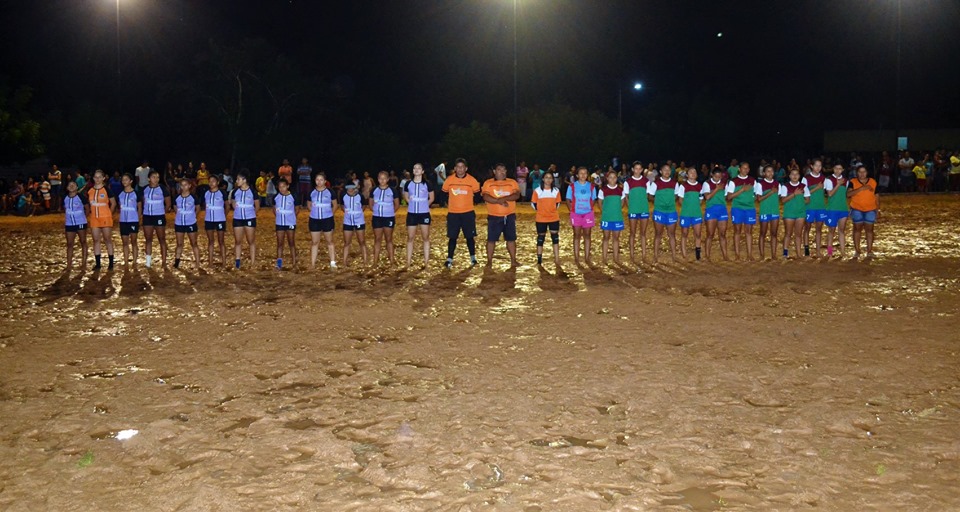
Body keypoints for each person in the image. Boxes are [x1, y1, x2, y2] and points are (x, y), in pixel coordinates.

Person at [442, 158, 481, 268]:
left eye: (462, 167)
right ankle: (449, 259)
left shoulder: (472, 180)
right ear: (455, 168)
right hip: (453, 213)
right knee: (452, 237)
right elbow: (443, 194)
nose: (460, 169)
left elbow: (477, 196)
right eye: (458, 167)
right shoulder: (449, 180)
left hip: (467, 213)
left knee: (470, 236)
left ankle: (473, 258)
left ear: (466, 168)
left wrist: (468, 203)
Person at [481, 163, 521, 268]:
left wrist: (504, 199)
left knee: (511, 239)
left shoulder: (512, 182)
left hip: (509, 215)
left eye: (504, 170)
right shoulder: (488, 183)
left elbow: (516, 195)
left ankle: (513, 260)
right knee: (491, 240)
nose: (502, 172)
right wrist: (498, 201)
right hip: (494, 216)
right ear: (494, 171)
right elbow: (485, 196)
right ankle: (489, 261)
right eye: (499, 170)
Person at [403, 163, 434, 269]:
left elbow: (432, 198)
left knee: (425, 237)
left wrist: (424, 205)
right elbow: (406, 196)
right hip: (411, 214)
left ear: (422, 171)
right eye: (414, 168)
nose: (416, 170)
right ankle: (408, 262)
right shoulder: (408, 184)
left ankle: (426, 262)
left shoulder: (427, 184)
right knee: (410, 238)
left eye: (419, 168)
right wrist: (410, 203)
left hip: (424, 214)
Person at [86, 170, 116, 270]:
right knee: (96, 240)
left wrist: (109, 214)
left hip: (105, 218)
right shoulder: (90, 190)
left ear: (103, 178)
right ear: (93, 178)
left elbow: (113, 203)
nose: (97, 179)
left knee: (107, 240)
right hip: (94, 218)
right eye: (95, 177)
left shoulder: (107, 189)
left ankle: (111, 263)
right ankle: (98, 264)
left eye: (99, 177)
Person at [725, 161, 756, 261]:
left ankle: (749, 254)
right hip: (737, 209)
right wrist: (742, 190)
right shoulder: (733, 181)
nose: (745, 170)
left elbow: (756, 194)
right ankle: (737, 255)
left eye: (747, 168)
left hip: (749, 209)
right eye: (743, 168)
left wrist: (750, 199)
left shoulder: (753, 180)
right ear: (739, 169)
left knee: (749, 232)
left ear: (749, 169)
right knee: (737, 231)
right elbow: (729, 197)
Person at [531, 169, 562, 266]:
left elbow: (558, 204)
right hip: (541, 218)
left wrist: (550, 211)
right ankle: (539, 259)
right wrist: (541, 211)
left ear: (553, 180)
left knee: (555, 238)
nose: (548, 180)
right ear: (543, 179)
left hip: (553, 218)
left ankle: (556, 258)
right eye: (546, 178)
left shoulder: (556, 191)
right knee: (540, 238)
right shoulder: (537, 191)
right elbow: (533, 204)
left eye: (550, 178)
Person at [567, 166, 596, 266]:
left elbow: (594, 199)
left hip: (588, 213)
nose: (583, 175)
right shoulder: (572, 186)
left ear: (587, 175)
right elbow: (568, 199)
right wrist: (572, 209)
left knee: (587, 235)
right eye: (581, 173)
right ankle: (576, 257)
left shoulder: (591, 186)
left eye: (585, 173)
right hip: (576, 214)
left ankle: (587, 257)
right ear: (577, 175)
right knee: (577, 235)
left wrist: (589, 209)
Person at [848, 165, 879, 259]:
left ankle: (869, 250)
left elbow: (876, 196)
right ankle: (857, 250)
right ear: (857, 173)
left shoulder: (873, 182)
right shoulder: (852, 182)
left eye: (864, 172)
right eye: (860, 172)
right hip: (857, 208)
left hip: (870, 209)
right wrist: (861, 189)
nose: (862, 174)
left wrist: (877, 209)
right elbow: (849, 194)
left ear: (867, 172)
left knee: (869, 230)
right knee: (857, 229)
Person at [308, 171, 338, 269]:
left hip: (327, 220)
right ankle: (312, 264)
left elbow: (335, 205)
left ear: (325, 181)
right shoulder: (311, 192)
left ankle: (333, 263)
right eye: (317, 180)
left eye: (321, 180)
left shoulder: (330, 192)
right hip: (314, 220)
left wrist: (329, 215)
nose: (319, 182)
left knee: (329, 241)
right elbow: (309, 204)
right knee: (314, 242)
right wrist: (314, 212)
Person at [649, 164, 678, 263]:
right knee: (658, 234)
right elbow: (650, 196)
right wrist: (659, 203)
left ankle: (674, 255)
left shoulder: (675, 183)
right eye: (664, 170)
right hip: (659, 211)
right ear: (661, 172)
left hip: (671, 212)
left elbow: (676, 196)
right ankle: (655, 256)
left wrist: (669, 203)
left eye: (669, 170)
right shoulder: (656, 183)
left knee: (672, 234)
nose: (667, 172)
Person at [231, 170, 260, 269]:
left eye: (238, 179)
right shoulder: (235, 191)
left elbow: (257, 206)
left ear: (244, 180)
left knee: (251, 241)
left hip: (249, 219)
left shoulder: (252, 191)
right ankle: (238, 261)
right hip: (237, 219)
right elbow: (233, 203)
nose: (236, 181)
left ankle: (253, 262)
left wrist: (251, 215)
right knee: (238, 241)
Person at [142, 169, 170, 268]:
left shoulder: (162, 188)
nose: (156, 179)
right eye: (154, 177)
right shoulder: (145, 189)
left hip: (159, 216)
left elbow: (168, 203)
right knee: (148, 239)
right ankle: (148, 262)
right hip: (147, 217)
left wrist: (162, 212)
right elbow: (143, 202)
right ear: (149, 178)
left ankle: (164, 262)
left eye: (157, 177)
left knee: (161, 239)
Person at [597, 170, 626, 265]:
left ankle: (616, 258)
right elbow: (600, 202)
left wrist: (616, 210)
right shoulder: (603, 190)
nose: (612, 179)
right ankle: (604, 258)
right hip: (606, 218)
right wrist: (605, 212)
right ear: (607, 179)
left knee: (616, 238)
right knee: (606, 237)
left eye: (614, 177)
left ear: (617, 178)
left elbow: (622, 202)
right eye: (610, 177)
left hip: (617, 217)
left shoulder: (620, 190)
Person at [371, 171, 399, 265]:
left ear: (387, 179)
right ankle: (375, 261)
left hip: (389, 217)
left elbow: (397, 204)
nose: (382, 180)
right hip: (377, 217)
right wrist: (375, 211)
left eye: (384, 178)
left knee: (389, 239)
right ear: (378, 179)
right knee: (377, 239)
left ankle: (392, 261)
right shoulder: (374, 190)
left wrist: (390, 212)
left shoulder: (392, 190)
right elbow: (371, 203)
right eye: (380, 178)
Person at [779, 168, 809, 259]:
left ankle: (799, 253)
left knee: (798, 234)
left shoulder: (804, 186)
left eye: (796, 174)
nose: (795, 176)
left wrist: (799, 203)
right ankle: (785, 252)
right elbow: (783, 200)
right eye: (793, 174)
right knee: (788, 233)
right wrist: (794, 194)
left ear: (799, 176)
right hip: (789, 213)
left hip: (800, 213)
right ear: (789, 176)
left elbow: (807, 200)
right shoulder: (785, 186)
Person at [625, 161, 651, 263]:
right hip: (633, 210)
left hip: (643, 209)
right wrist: (630, 207)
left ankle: (644, 254)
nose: (638, 170)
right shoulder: (628, 182)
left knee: (643, 233)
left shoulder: (646, 181)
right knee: (632, 232)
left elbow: (648, 195)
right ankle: (632, 254)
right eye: (636, 168)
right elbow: (626, 196)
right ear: (632, 169)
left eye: (640, 169)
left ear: (642, 170)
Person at [173, 178, 201, 269]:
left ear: (189, 186)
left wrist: (193, 216)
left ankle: (197, 262)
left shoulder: (193, 197)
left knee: (194, 243)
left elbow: (198, 208)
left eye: (185, 185)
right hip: (179, 223)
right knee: (179, 244)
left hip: (191, 223)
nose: (183, 187)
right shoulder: (177, 197)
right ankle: (177, 262)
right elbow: (175, 208)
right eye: (182, 185)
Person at [802, 159, 828, 258]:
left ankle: (818, 250)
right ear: (811, 166)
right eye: (816, 165)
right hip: (809, 207)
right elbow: (804, 193)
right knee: (807, 228)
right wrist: (816, 188)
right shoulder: (806, 179)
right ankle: (806, 249)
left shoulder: (823, 178)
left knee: (819, 229)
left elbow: (826, 192)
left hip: (820, 207)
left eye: (820, 166)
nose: (818, 168)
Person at [676, 166, 703, 261]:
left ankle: (698, 253)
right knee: (684, 233)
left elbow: (700, 199)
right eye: (691, 172)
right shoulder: (683, 186)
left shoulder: (700, 186)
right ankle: (684, 253)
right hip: (686, 214)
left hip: (696, 213)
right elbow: (680, 200)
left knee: (698, 234)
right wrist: (687, 207)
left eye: (695, 172)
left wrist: (694, 207)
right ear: (687, 175)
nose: (693, 173)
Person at [754, 165, 780, 260]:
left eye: (772, 171)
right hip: (764, 211)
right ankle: (762, 255)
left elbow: (780, 198)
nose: (770, 173)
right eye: (768, 171)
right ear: (764, 173)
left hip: (775, 211)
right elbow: (759, 199)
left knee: (774, 233)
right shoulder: (760, 184)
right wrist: (770, 192)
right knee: (763, 233)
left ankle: (774, 254)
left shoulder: (778, 184)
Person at [824, 163, 849, 258]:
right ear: (833, 169)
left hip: (843, 208)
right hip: (832, 209)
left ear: (842, 170)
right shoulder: (829, 180)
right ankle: (829, 252)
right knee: (831, 231)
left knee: (842, 230)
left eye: (840, 168)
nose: (838, 170)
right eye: (836, 168)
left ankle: (843, 251)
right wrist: (838, 184)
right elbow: (830, 194)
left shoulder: (846, 181)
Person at [203, 175, 229, 266]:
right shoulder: (206, 193)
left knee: (221, 241)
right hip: (209, 220)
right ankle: (210, 262)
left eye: (213, 181)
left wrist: (223, 216)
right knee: (210, 241)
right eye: (209, 181)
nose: (211, 183)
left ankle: (224, 262)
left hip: (220, 220)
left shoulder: (222, 193)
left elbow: (227, 206)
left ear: (217, 182)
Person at [63, 180, 89, 271]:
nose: (71, 186)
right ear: (67, 188)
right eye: (69, 185)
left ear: (77, 187)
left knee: (83, 241)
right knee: (69, 244)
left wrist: (83, 218)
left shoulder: (81, 197)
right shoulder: (65, 198)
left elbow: (87, 208)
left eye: (73, 185)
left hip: (81, 223)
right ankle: (69, 265)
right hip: (69, 224)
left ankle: (84, 263)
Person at [116, 173, 141, 266]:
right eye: (123, 180)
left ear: (131, 181)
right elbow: (120, 206)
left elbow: (139, 207)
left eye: (126, 179)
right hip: (123, 221)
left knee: (134, 241)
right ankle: (126, 261)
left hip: (133, 220)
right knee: (125, 242)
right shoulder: (120, 194)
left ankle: (134, 261)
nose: (124, 181)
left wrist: (138, 219)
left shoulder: (136, 193)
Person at [340, 183, 368, 266]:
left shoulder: (360, 195)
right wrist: (346, 211)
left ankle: (365, 261)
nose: (350, 189)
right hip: (347, 221)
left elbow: (364, 205)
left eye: (351, 187)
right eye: (348, 187)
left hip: (359, 221)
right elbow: (341, 205)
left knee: (362, 241)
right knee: (347, 242)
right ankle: (344, 262)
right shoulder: (343, 195)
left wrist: (359, 213)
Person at [274, 178, 298, 269]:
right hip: (279, 223)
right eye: (280, 187)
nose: (282, 188)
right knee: (280, 243)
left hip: (290, 222)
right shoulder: (276, 197)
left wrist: (291, 216)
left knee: (291, 242)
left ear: (287, 186)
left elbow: (297, 208)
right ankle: (279, 262)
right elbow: (274, 209)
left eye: (283, 186)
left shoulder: (293, 196)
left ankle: (294, 262)